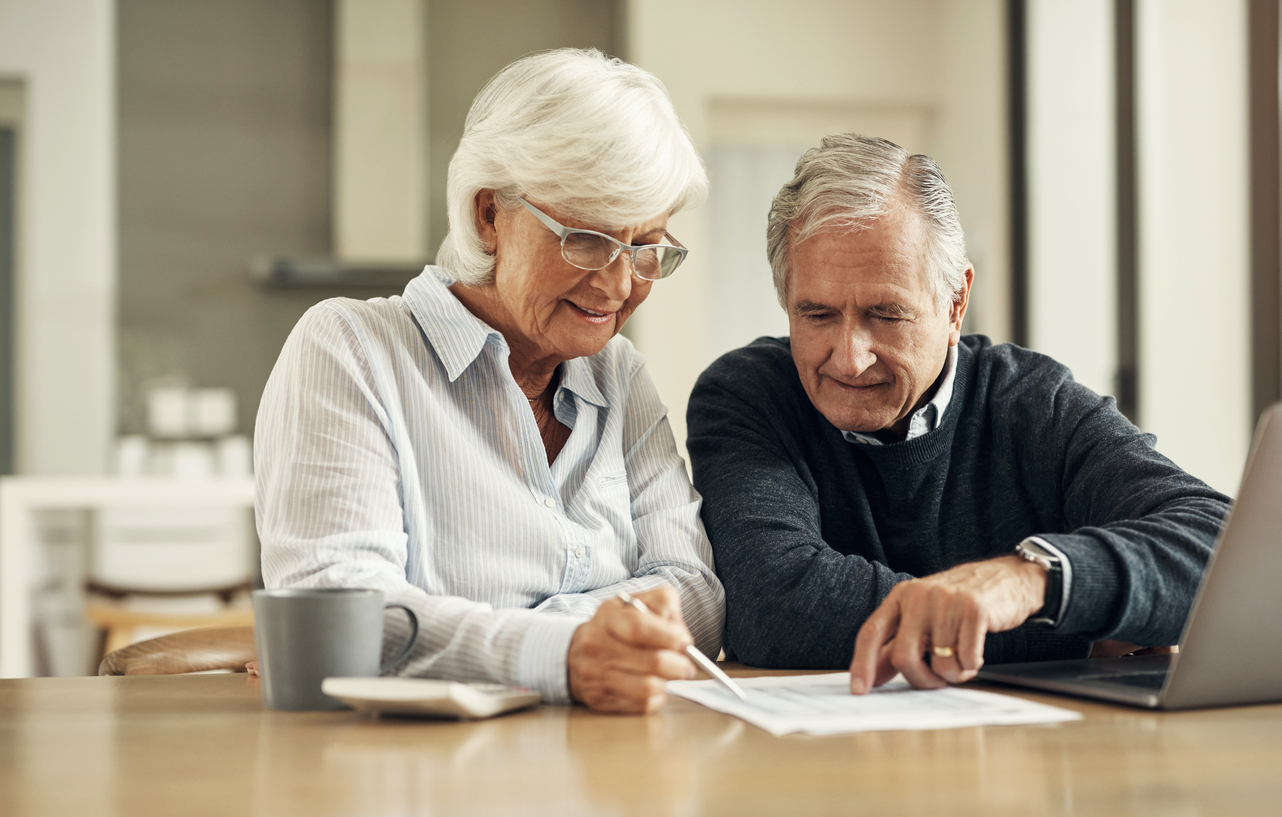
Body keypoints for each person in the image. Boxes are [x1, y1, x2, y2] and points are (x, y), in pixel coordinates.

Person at [255, 49, 724, 714]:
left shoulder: (621, 377)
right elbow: (342, 610)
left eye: (646, 248)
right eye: (587, 239)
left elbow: (695, 593)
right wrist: (568, 651)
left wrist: (524, 635)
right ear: (488, 216)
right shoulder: (349, 350)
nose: (620, 284)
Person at [686, 132, 1229, 694]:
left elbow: (1225, 550)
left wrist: (1028, 582)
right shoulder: (748, 395)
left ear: (955, 304)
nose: (849, 357)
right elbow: (774, 608)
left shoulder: (1034, 402)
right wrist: (1079, 628)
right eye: (817, 314)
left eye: (885, 314)